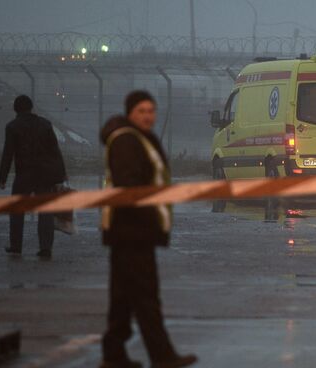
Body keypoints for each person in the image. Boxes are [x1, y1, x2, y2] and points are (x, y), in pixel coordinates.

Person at [99, 91, 197, 368]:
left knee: (123, 297)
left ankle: (113, 354)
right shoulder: (126, 141)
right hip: (132, 232)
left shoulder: (139, 138)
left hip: (131, 233)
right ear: (130, 113)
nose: (147, 116)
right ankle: (162, 356)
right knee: (145, 297)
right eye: (141, 111)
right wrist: (148, 219)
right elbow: (131, 187)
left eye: (151, 110)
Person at [0, 95, 67, 258]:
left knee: (17, 210)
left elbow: (8, 154)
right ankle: (45, 248)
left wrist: (2, 178)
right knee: (46, 211)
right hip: (45, 174)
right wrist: (61, 173)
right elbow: (55, 151)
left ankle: (16, 246)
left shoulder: (12, 127)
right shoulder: (45, 124)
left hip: (24, 175)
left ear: (16, 109)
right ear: (31, 107)